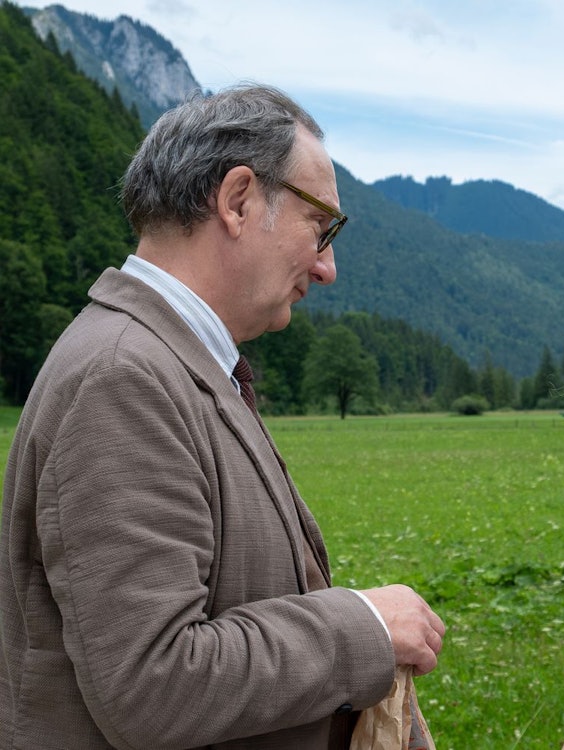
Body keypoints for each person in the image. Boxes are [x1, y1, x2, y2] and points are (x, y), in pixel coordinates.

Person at [0, 84, 446, 749]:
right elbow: (151, 684)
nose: (327, 267)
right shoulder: (123, 377)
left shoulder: (173, 363)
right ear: (239, 200)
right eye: (321, 227)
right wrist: (364, 626)